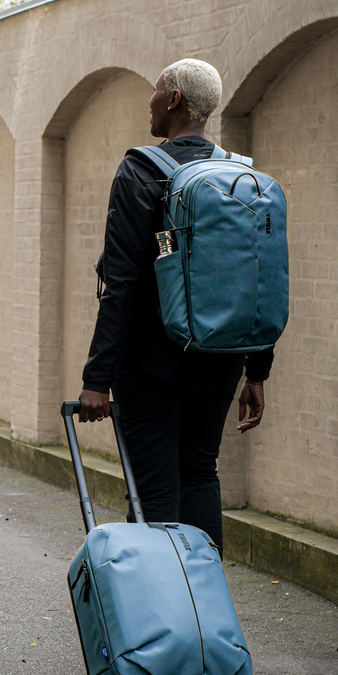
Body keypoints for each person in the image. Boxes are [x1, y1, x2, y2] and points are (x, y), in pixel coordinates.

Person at [77, 58, 273, 555]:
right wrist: (256, 370)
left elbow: (121, 283)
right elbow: (259, 276)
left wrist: (97, 379)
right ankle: (206, 614)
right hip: (221, 356)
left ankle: (158, 622)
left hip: (150, 363)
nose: (150, 98)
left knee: (153, 495)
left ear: (175, 100)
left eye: (156, 89)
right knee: (201, 474)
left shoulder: (141, 170)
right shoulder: (238, 175)